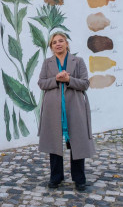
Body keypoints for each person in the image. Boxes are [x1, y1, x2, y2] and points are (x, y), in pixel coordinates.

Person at [37, 32, 96, 191]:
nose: (58, 44)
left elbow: (85, 84)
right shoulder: (47, 63)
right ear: (51, 47)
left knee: (77, 142)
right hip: (53, 109)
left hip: (74, 107)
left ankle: (79, 178)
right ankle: (56, 177)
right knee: (54, 143)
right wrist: (56, 79)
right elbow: (41, 83)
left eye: (61, 41)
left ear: (67, 43)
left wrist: (69, 80)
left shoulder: (78, 61)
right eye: (54, 42)